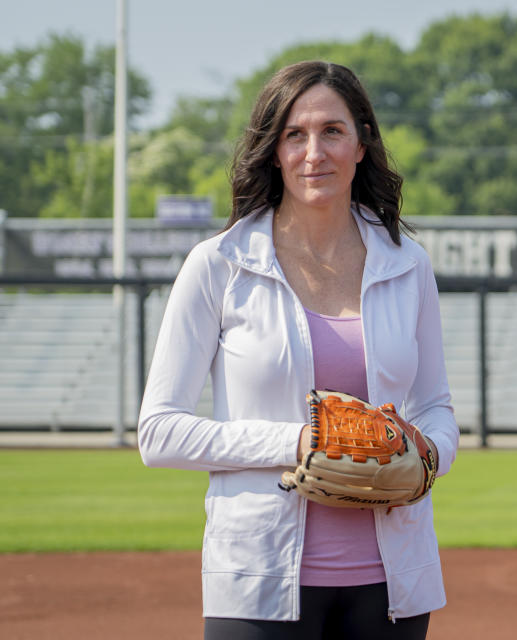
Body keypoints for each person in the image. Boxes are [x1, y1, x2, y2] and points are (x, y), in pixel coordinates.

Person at [138, 60, 459, 640]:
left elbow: (436, 404)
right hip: (258, 582)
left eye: (332, 131)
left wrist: (426, 454)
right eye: (295, 134)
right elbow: (158, 432)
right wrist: (301, 440)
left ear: (361, 144)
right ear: (275, 150)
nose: (315, 152)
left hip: (393, 584)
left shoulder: (409, 263)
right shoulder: (218, 264)